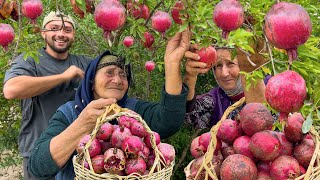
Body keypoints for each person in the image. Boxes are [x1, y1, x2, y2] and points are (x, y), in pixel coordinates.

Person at [27, 30, 191, 179]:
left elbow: (169, 120)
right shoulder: (70, 113)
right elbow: (37, 167)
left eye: (123, 74)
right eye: (109, 73)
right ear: (91, 81)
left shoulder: (133, 110)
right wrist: (81, 125)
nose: (118, 80)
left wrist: (172, 64)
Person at [2, 11, 92, 179]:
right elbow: (11, 89)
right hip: (39, 153)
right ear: (43, 33)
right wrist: (64, 76)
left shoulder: (84, 62)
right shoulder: (30, 60)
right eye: (54, 28)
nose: (61, 34)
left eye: (67, 30)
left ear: (73, 35)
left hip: (79, 152)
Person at [184, 45, 268, 129]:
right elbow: (188, 116)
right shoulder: (215, 99)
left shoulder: (270, 88)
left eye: (231, 64)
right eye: (218, 66)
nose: (224, 73)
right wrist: (190, 76)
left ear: (243, 64)